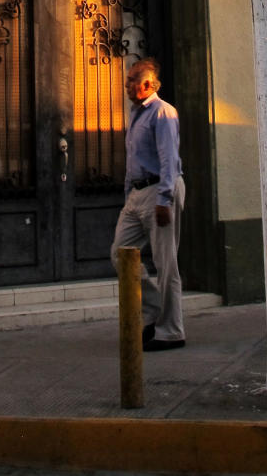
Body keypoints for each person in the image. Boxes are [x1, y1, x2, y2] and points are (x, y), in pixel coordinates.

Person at [110, 57, 185, 350]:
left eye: (131, 80)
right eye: (127, 79)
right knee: (120, 252)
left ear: (147, 84)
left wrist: (165, 199)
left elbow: (170, 158)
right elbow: (134, 160)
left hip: (160, 190)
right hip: (138, 194)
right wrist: (129, 194)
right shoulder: (136, 113)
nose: (126, 85)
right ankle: (154, 309)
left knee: (166, 263)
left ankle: (172, 330)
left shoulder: (162, 113)